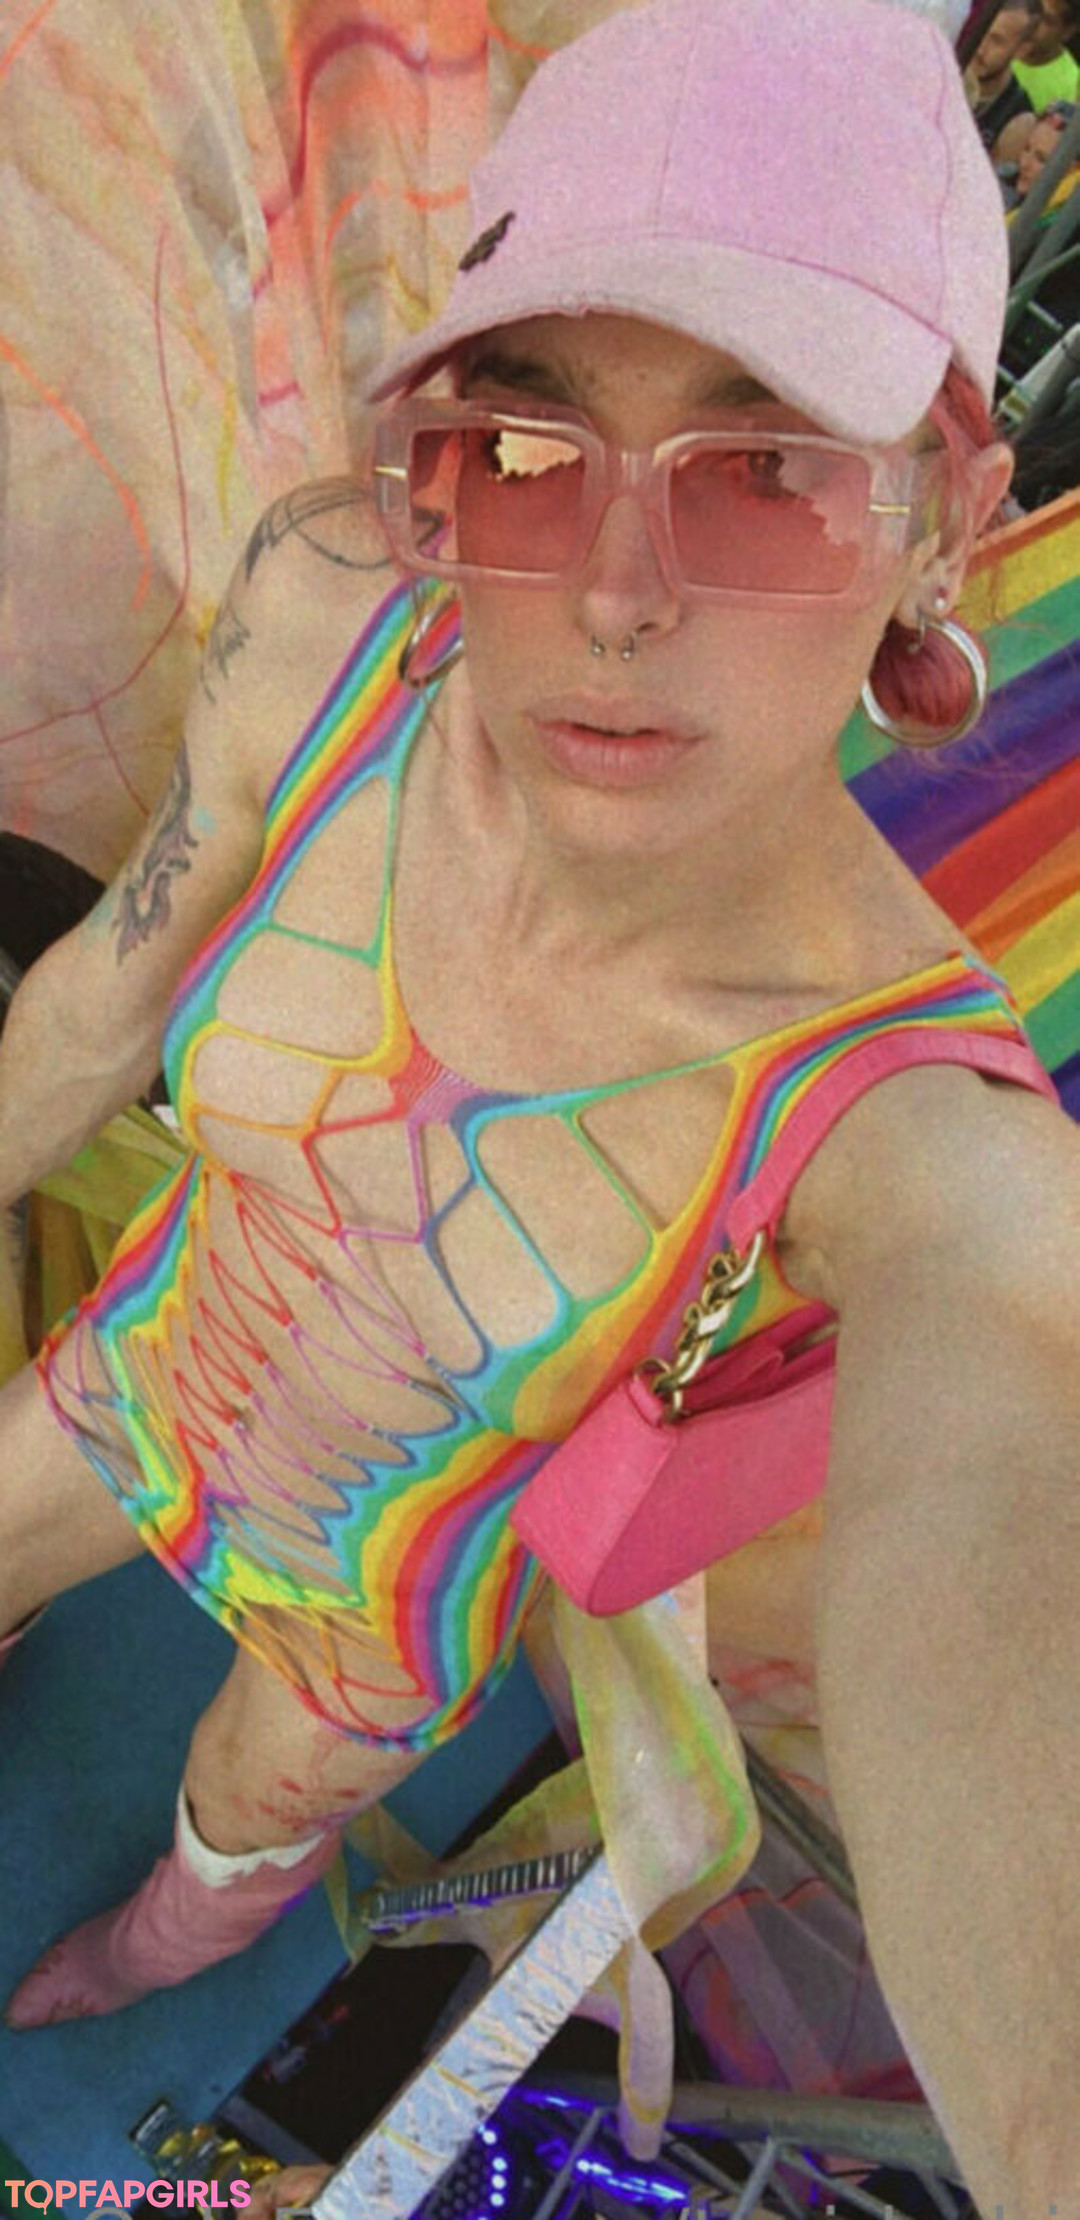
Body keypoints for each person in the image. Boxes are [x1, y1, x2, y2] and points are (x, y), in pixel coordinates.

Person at [0, 0, 1077, 2208]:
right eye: (528, 439)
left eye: (768, 469)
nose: (612, 596)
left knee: (202, 1874)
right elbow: (101, 1006)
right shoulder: (332, 623)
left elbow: (1015, 1429)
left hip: (370, 1613)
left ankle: (120, 1974)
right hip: (135, 1371)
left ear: (942, 521)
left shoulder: (905, 1129)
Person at [965, 0, 1040, 142]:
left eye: (996, 40)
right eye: (980, 30)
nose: (980, 48)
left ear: (1022, 50)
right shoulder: (942, 70)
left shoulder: (1016, 118)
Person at [1012, 0, 1080, 107]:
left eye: (1047, 20)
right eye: (1032, 10)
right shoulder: (1004, 37)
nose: (1032, 22)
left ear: (1067, 32)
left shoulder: (1070, 86)